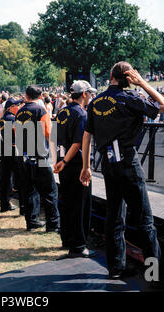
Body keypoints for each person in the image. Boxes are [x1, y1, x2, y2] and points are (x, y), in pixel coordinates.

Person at [79, 61, 164, 281]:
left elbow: (86, 136)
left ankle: (115, 268)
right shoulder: (131, 98)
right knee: (145, 221)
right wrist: (143, 84)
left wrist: (86, 167)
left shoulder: (96, 101)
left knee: (114, 218)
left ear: (111, 76)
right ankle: (154, 275)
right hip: (128, 162)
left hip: (107, 164)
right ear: (129, 78)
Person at [54, 80, 97, 258]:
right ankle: (79, 245)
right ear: (84, 94)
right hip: (75, 164)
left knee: (67, 202)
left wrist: (60, 160)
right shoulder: (82, 114)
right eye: (90, 94)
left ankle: (67, 238)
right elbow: (78, 142)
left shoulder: (62, 111)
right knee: (81, 205)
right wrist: (65, 160)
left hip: (63, 162)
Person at [16, 86, 60, 232]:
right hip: (40, 156)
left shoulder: (20, 110)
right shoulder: (41, 110)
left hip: (25, 156)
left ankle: (31, 221)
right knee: (50, 192)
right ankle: (53, 224)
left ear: (26, 96)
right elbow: (48, 132)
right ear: (40, 96)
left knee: (30, 191)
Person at [0, 97, 27, 213]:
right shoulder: (12, 119)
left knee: (5, 178)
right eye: (17, 105)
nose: (19, 107)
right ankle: (23, 208)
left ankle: (4, 204)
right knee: (21, 179)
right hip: (13, 151)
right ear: (11, 107)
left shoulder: (3, 118)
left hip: (4, 151)